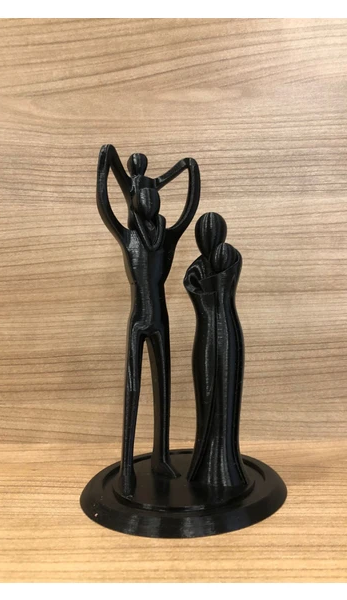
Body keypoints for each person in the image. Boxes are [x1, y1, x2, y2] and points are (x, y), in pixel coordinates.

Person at [97, 144, 200, 497]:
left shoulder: (166, 239)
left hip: (161, 319)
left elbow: (190, 209)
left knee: (164, 388)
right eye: (144, 197)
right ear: (135, 201)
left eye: (154, 197)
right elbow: (104, 205)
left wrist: (187, 169)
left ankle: (161, 457)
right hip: (139, 320)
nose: (151, 201)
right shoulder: (128, 238)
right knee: (133, 388)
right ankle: (127, 466)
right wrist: (106, 165)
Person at [184, 213, 248, 489]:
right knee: (207, 394)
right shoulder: (197, 269)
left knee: (226, 396)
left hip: (227, 333)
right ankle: (206, 463)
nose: (206, 239)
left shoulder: (229, 258)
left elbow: (219, 290)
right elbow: (198, 291)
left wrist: (216, 281)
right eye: (202, 235)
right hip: (206, 334)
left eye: (211, 234)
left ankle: (227, 464)